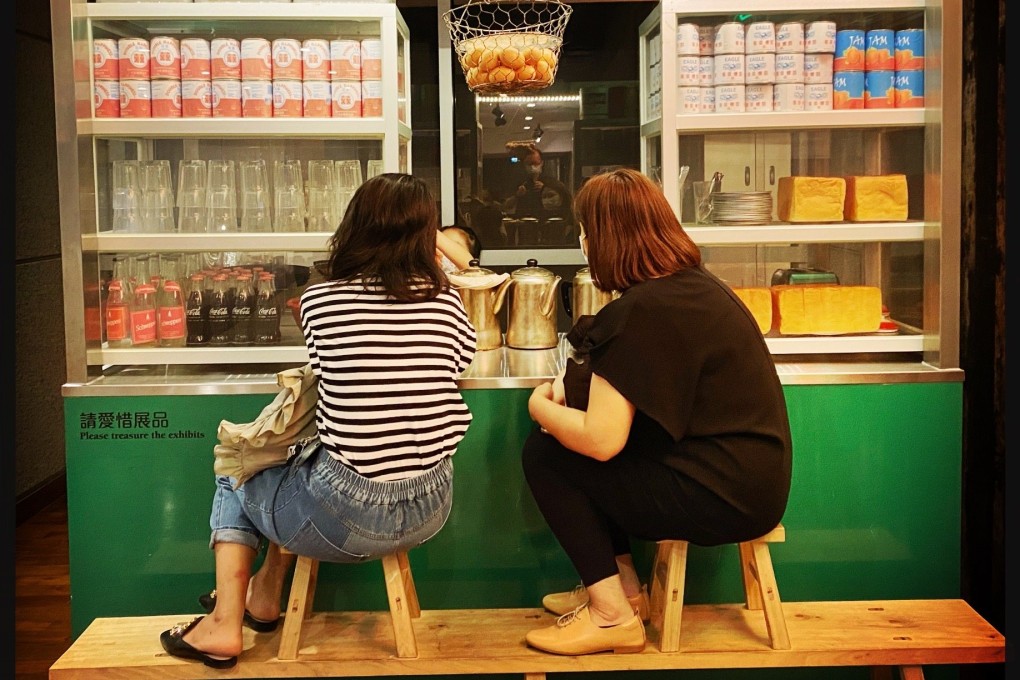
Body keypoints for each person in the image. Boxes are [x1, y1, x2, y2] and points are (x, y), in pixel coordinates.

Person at [159, 173, 477, 669]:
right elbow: (461, 361)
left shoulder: (321, 300)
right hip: (430, 507)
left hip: (342, 517)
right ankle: (264, 598)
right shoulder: (447, 302)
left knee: (238, 466)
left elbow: (329, 367)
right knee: (292, 474)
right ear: (424, 235)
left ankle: (223, 623)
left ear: (355, 225)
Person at [520, 168, 793, 656]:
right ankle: (623, 592)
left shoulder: (643, 310)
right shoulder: (693, 289)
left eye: (585, 231)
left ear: (606, 239)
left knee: (548, 454)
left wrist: (539, 404)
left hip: (723, 495)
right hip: (749, 484)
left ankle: (612, 616)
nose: (583, 242)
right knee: (597, 453)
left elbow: (601, 439)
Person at [506, 144, 573, 243]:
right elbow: (506, 206)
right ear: (524, 165)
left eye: (535, 163)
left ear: (541, 163)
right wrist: (517, 195)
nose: (532, 167)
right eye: (529, 164)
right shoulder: (521, 184)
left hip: (550, 229)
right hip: (526, 231)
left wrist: (546, 189)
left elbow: (567, 204)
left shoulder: (552, 183)